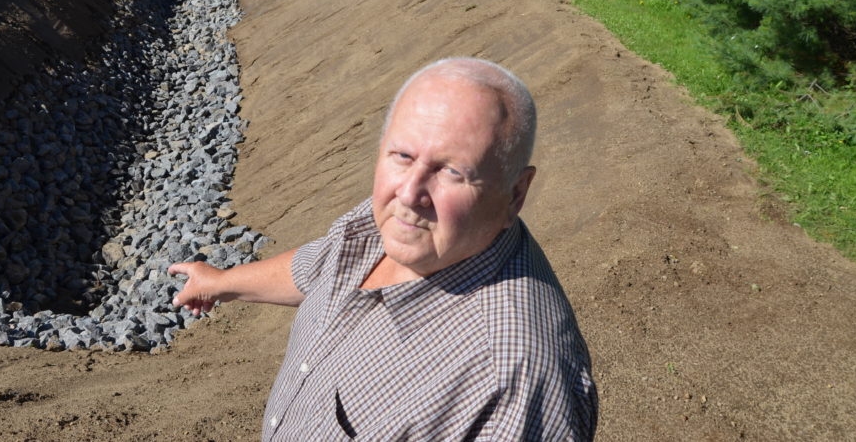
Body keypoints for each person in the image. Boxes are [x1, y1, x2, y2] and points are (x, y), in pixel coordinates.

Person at [169, 58, 597, 440]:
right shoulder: (397, 224)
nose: (410, 193)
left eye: (451, 171)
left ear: (516, 193)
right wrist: (221, 282)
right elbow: (318, 269)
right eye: (403, 155)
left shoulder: (513, 379)